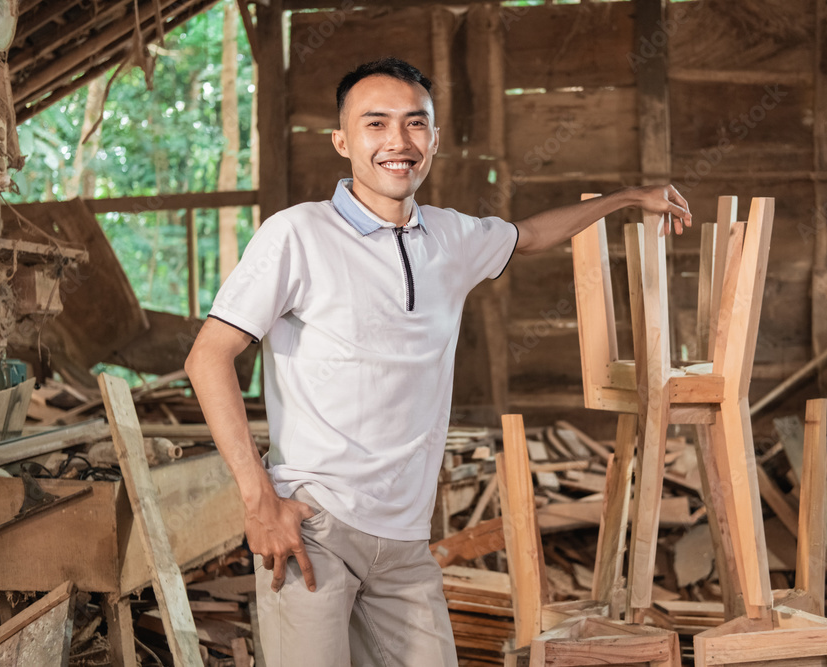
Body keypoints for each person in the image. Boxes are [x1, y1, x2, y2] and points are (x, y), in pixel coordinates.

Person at [184, 57, 690, 667]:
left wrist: (631, 197)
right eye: (375, 124)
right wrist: (258, 501)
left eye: (415, 123)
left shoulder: (452, 238)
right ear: (342, 141)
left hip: (405, 544)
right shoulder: (296, 234)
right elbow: (209, 357)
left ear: (434, 138)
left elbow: (529, 235)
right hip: (314, 527)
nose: (398, 142)